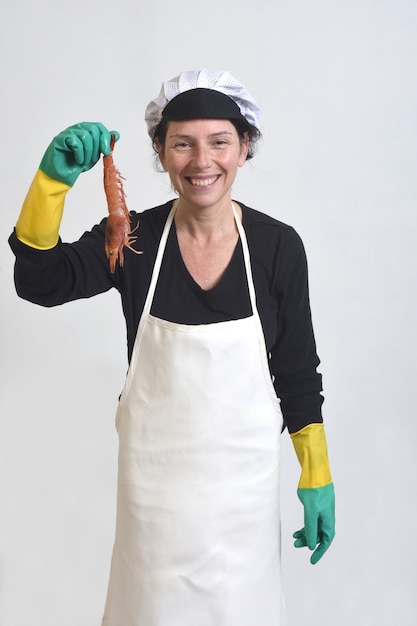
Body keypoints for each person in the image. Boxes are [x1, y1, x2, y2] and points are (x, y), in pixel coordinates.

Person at [9, 69, 335, 626]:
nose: (201, 161)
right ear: (161, 153)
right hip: (153, 505)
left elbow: (297, 370)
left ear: (245, 148)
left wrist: (316, 471)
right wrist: (50, 183)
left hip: (244, 504)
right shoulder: (130, 237)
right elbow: (39, 283)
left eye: (219, 142)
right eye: (182, 143)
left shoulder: (279, 246)